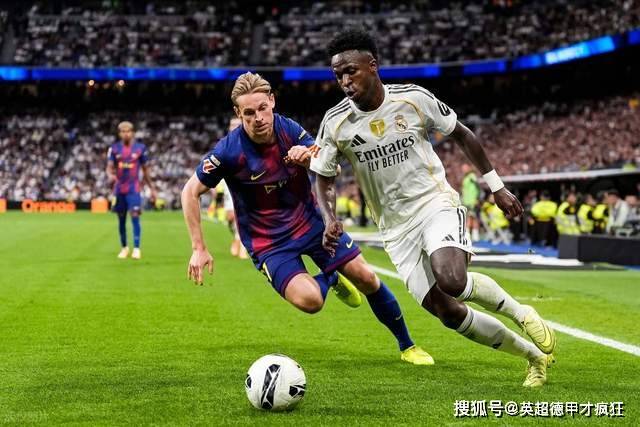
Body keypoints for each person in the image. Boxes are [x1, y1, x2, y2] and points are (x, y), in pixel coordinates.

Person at [311, 29, 556, 387]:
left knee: (452, 280)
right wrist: (329, 218)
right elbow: (323, 178)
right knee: (448, 312)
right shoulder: (335, 122)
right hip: (395, 229)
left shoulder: (413, 99)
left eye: (351, 71)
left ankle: (522, 313)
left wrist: (497, 186)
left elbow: (463, 134)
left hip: (434, 203)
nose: (345, 81)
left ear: (372, 65)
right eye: (338, 76)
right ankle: (533, 357)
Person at [181, 72, 432, 365]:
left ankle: (408, 346)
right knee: (310, 301)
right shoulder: (228, 151)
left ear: (272, 101)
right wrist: (199, 248)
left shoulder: (290, 131)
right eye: (249, 113)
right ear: (238, 113)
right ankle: (331, 276)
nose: (258, 118)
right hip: (269, 243)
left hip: (311, 224)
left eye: (262, 108)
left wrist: (310, 158)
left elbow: (333, 169)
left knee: (366, 277)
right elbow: (190, 192)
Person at [106, 121, 157, 260]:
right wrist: (110, 175)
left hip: (134, 189)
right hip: (119, 190)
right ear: (119, 133)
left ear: (133, 132)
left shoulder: (140, 148)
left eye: (128, 131)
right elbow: (109, 168)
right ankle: (124, 248)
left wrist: (152, 188)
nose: (126, 134)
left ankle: (136, 248)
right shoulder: (114, 148)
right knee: (121, 219)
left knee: (135, 216)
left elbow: (146, 171)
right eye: (123, 131)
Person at [460, 163, 481, 241]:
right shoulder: (465, 178)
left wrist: (477, 199)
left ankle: (474, 236)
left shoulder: (472, 176)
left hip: (473, 201)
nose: (463, 170)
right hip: (466, 202)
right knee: (469, 218)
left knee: (474, 218)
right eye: (462, 168)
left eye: (465, 168)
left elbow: (478, 187)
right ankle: (469, 235)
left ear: (469, 168)